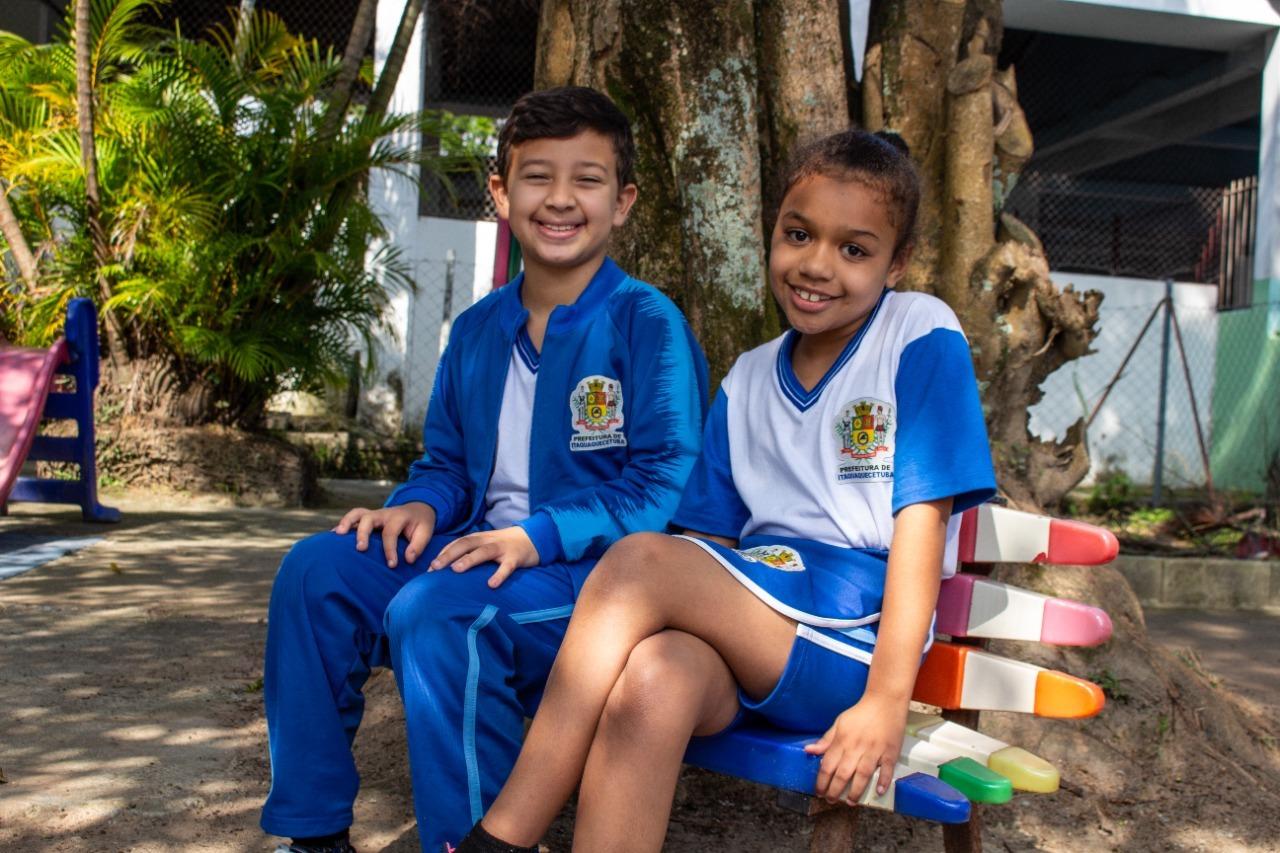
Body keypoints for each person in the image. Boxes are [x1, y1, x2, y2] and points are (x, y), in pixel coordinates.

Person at [455, 129, 998, 853]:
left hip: (853, 644)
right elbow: (709, 545)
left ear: (897, 263)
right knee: (655, 676)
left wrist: (885, 702)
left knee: (641, 561)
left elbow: (922, 528)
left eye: (854, 249)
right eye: (798, 234)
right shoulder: (747, 377)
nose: (816, 265)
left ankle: (504, 834)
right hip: (761, 621)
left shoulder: (917, 331)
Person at [259, 86, 709, 853]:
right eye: (537, 176)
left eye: (587, 179)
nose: (560, 198)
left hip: (591, 579)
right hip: (475, 550)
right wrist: (421, 507)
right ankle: (311, 833)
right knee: (317, 569)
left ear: (623, 201)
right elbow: (446, 465)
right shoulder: (475, 330)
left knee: (439, 612)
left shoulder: (646, 322)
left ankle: (475, 842)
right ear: (501, 192)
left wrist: (538, 536)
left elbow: (664, 481)